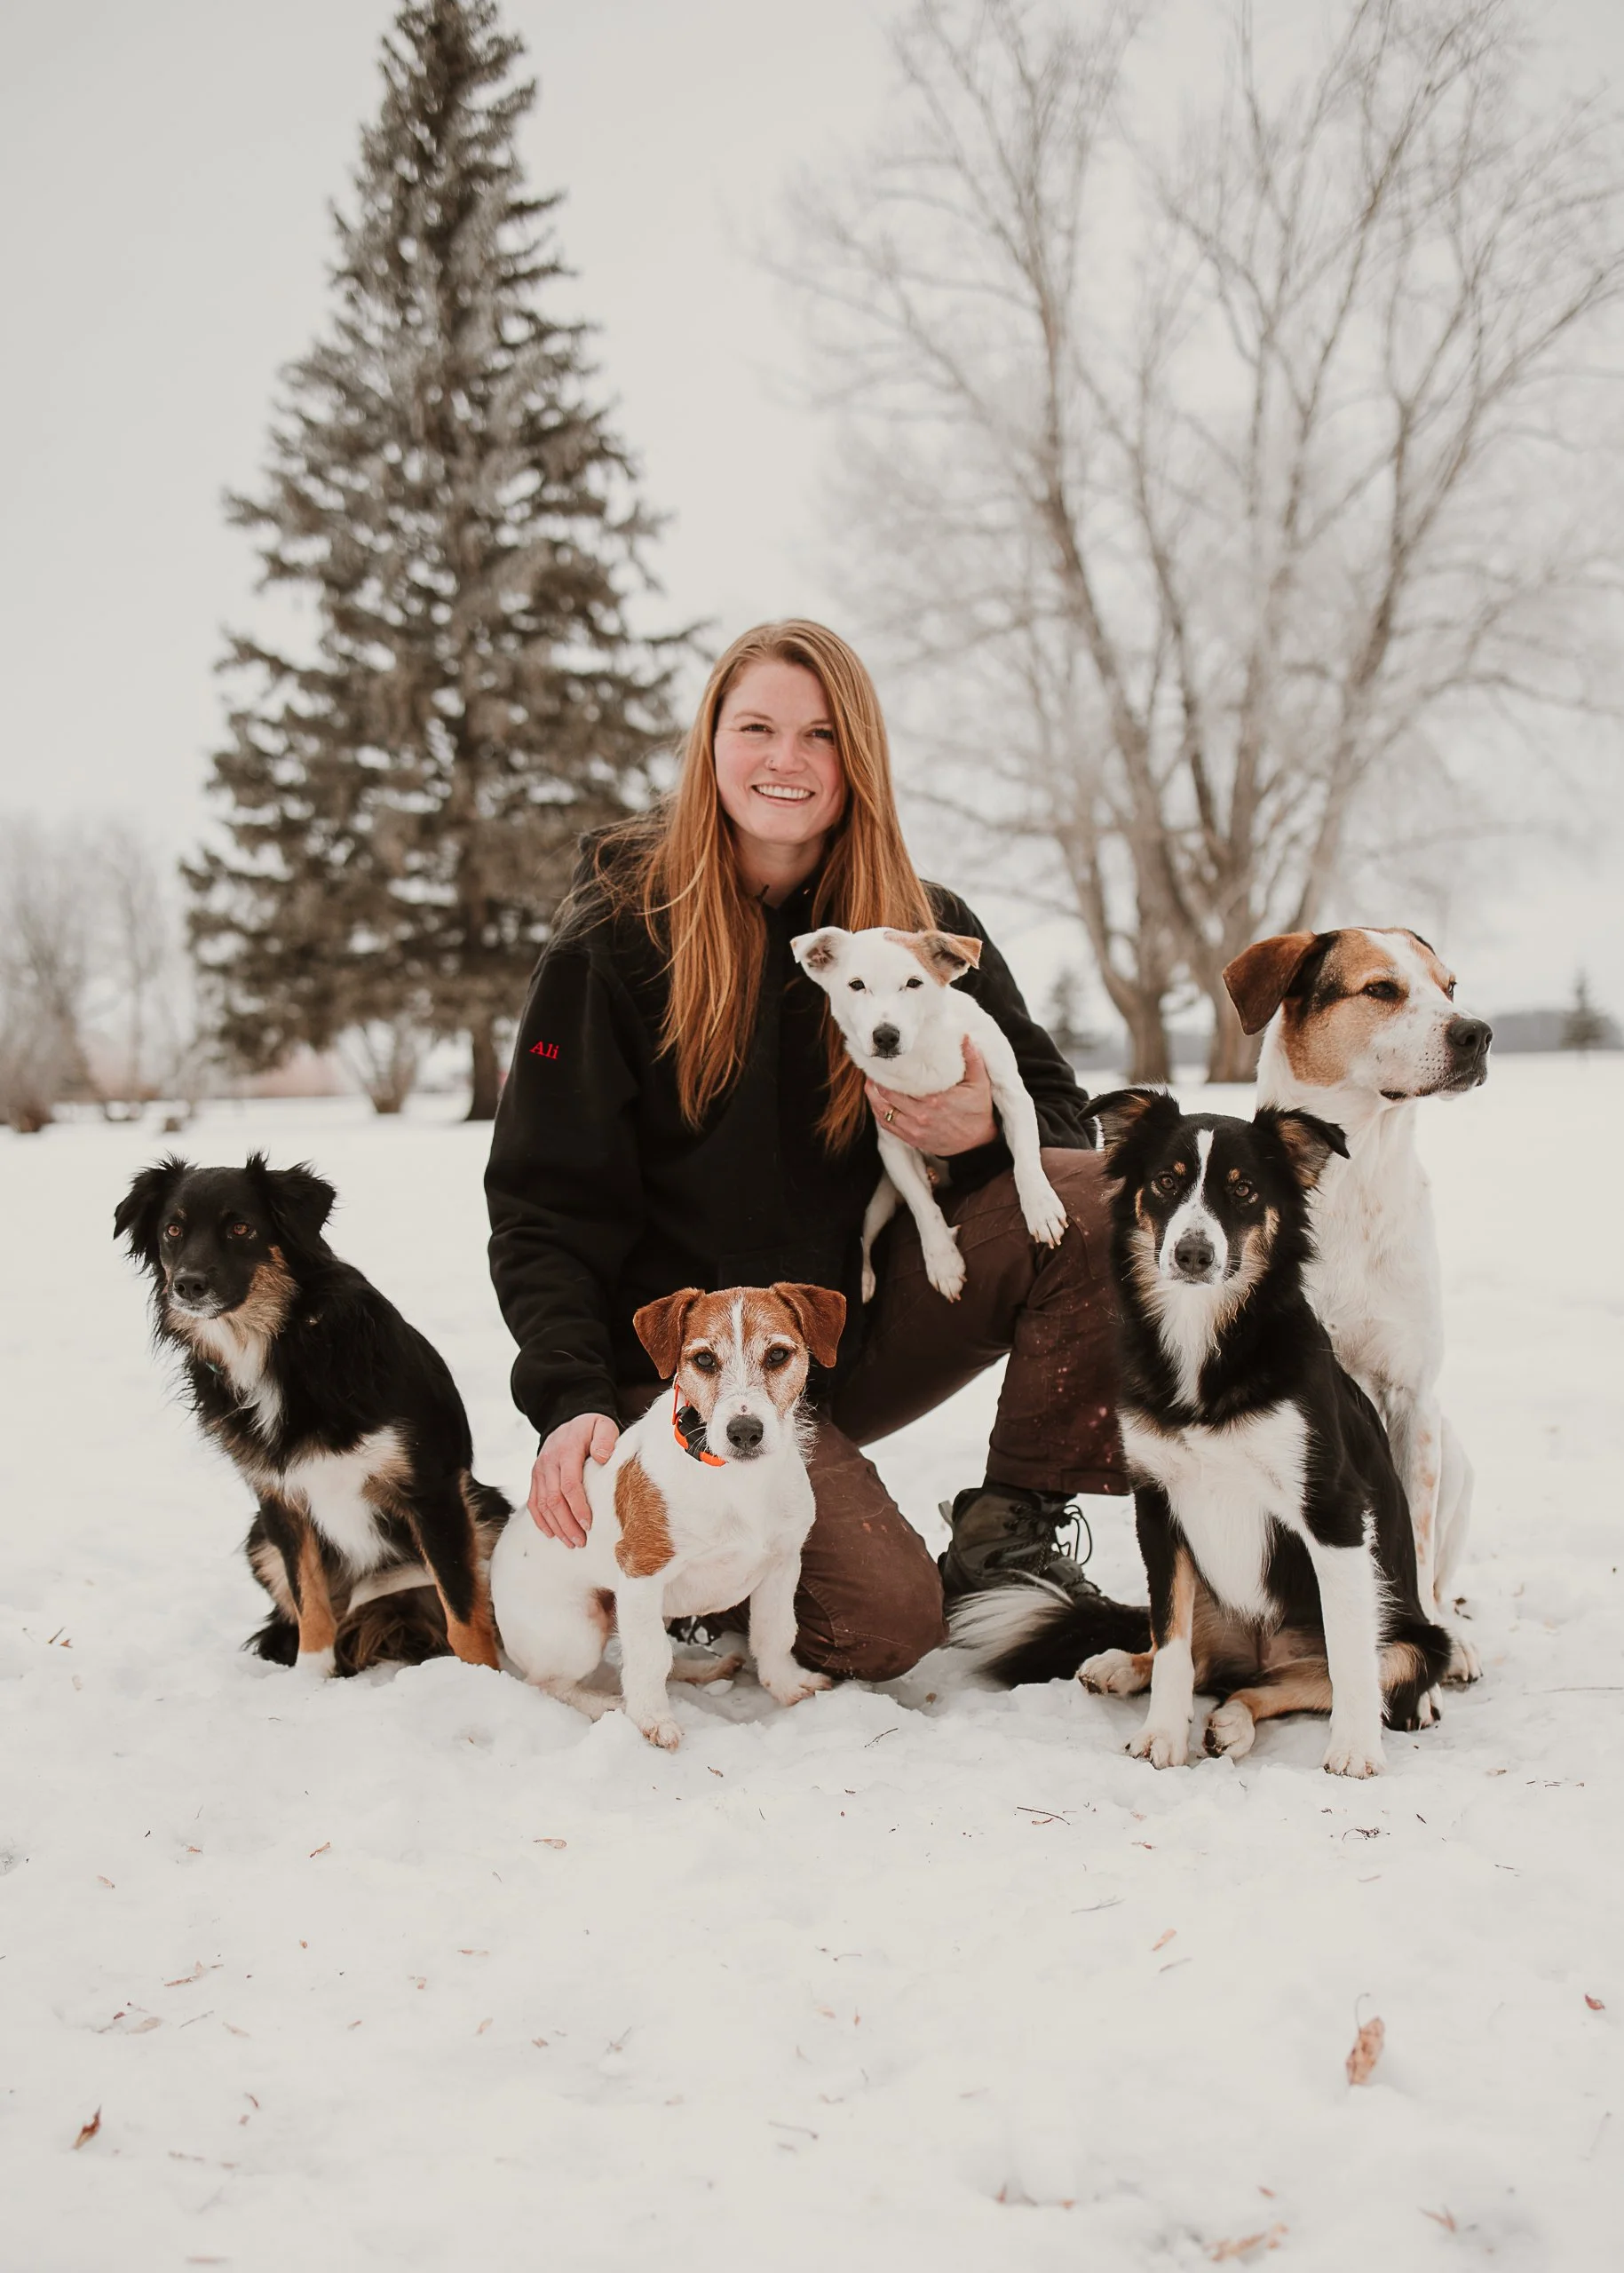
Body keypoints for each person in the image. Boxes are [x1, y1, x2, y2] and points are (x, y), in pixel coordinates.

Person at [485, 621, 1127, 1683]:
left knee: (1102, 1197)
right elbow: (542, 1202)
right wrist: (570, 1397)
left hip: (845, 1331)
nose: (785, 759)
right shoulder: (615, 934)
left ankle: (1007, 1528)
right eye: (756, 728)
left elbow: (1060, 1119)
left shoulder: (922, 927)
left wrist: (971, 1129)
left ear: (857, 759)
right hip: (682, 1365)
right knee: (881, 1626)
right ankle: (698, 1557)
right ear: (711, 745)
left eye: (819, 735)